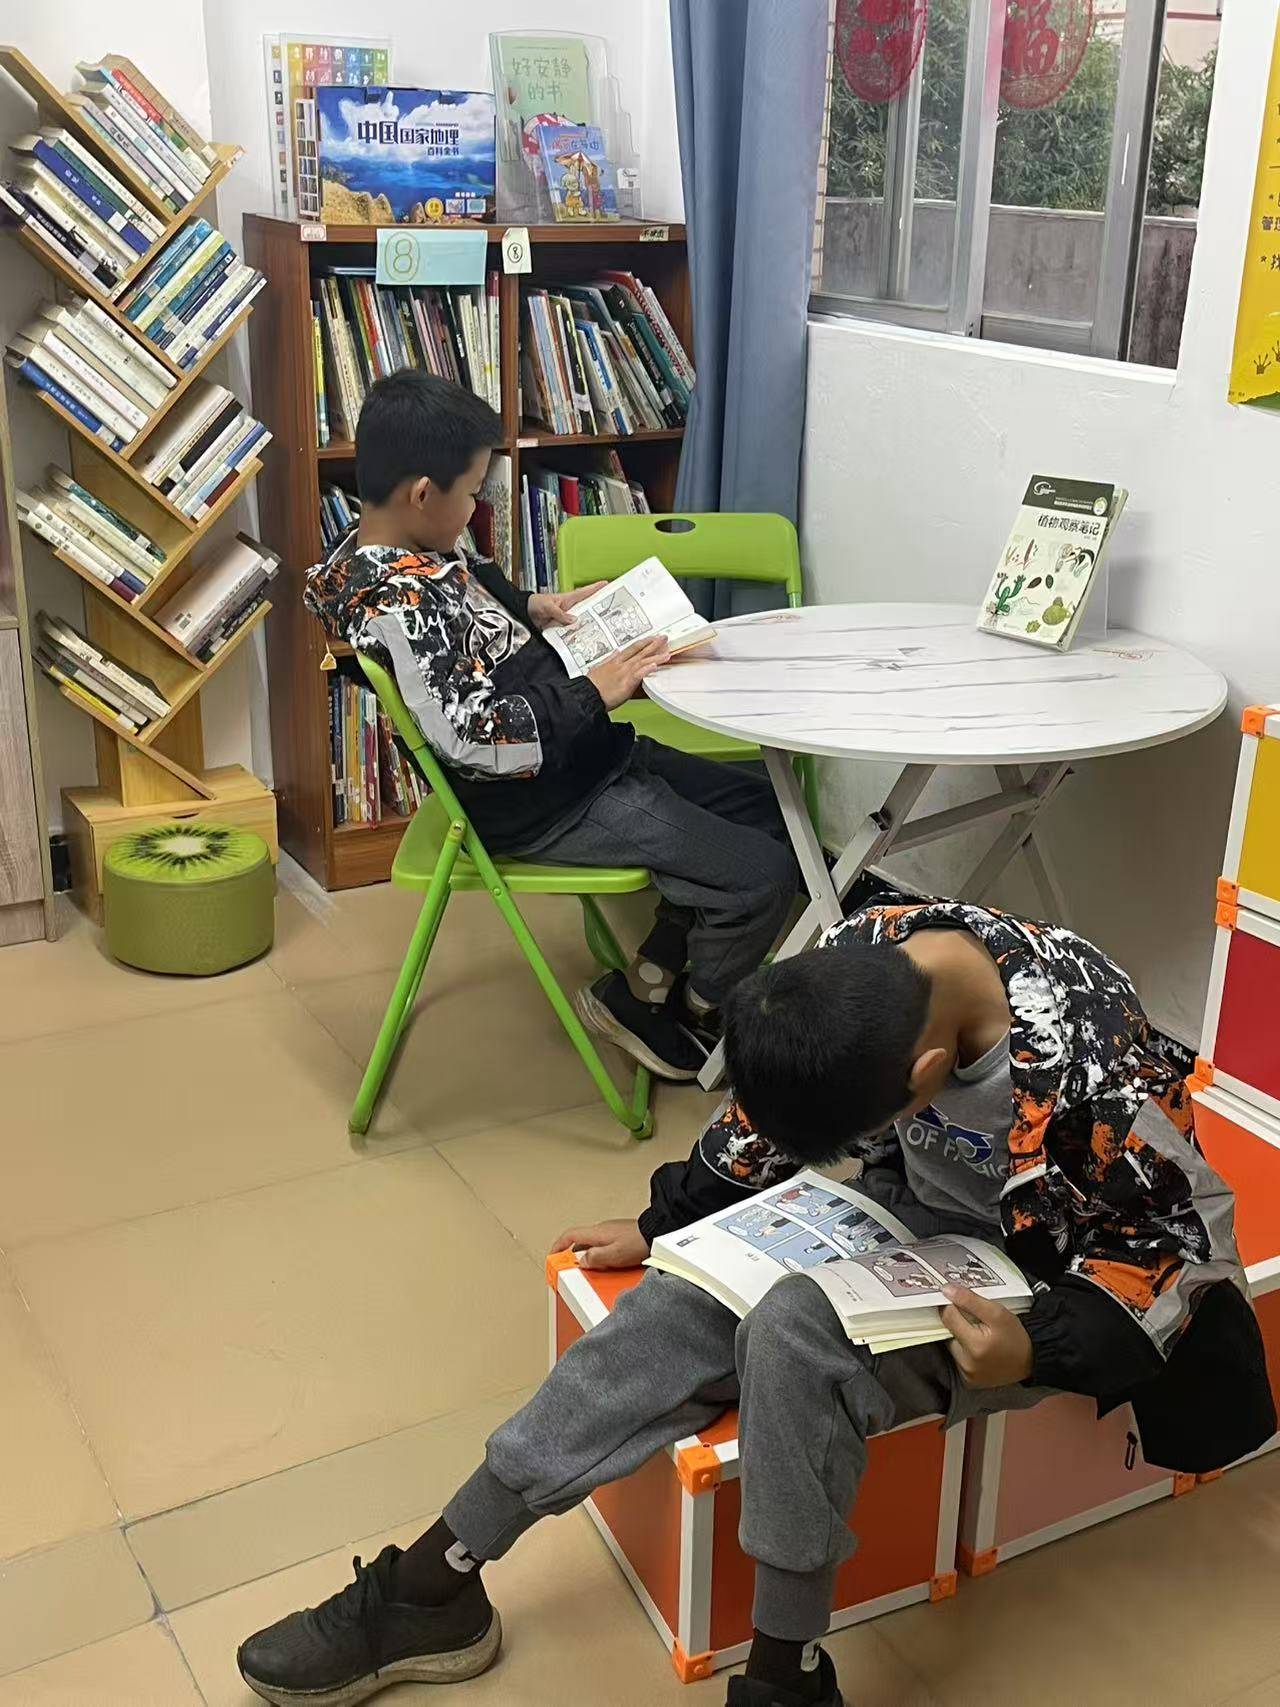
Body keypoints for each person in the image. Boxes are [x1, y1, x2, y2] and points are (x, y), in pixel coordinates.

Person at [236, 896, 1276, 1707]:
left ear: (924, 1070)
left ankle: (784, 1676)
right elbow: (762, 1117)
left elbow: (1179, 1248)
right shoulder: (863, 951)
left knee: (792, 1332)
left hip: (1044, 1276)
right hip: (908, 1216)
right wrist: (664, 1222)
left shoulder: (1088, 1054)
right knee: (677, 1303)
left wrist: (1036, 1347)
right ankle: (435, 1580)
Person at [303, 371, 798, 1080]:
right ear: (423, 494)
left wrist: (534, 605)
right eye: (472, 493)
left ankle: (655, 969)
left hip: (586, 754)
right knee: (765, 875)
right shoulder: (399, 607)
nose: (476, 509)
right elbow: (473, 739)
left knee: (773, 809)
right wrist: (594, 692)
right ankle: (688, 1008)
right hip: (551, 800)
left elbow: (473, 587)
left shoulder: (401, 547)